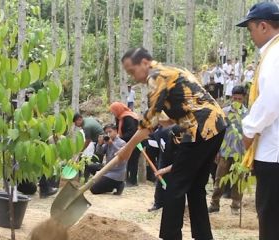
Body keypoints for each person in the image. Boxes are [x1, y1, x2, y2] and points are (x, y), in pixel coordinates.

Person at [118, 47, 227, 239]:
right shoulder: (173, 70)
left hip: (200, 129)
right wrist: (158, 121)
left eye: (132, 71)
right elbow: (178, 112)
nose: (134, 77)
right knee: (195, 187)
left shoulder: (156, 77)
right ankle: (203, 236)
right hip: (216, 126)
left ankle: (170, 236)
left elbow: (148, 125)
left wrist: (126, 150)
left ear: (144, 63)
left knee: (175, 185)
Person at [237, 2, 279, 239]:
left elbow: (272, 99)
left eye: (251, 28)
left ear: (263, 26)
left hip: (274, 153)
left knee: (271, 220)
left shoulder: (275, 55)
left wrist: (249, 130)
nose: (251, 35)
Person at [208, 86, 247, 215]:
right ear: (231, 97)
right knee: (219, 179)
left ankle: (235, 206)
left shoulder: (247, 114)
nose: (236, 101)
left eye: (239, 99)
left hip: (240, 154)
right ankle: (214, 204)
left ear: (243, 99)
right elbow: (218, 132)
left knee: (239, 180)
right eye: (234, 98)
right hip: (225, 151)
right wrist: (216, 151)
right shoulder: (224, 112)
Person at [109, 102, 140, 186]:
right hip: (125, 142)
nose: (113, 113)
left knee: (133, 161)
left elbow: (132, 132)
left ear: (118, 109)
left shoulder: (129, 117)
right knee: (125, 160)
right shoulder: (119, 117)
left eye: (113, 111)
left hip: (135, 141)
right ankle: (125, 179)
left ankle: (133, 181)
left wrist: (119, 138)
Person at [90, 124, 126, 195]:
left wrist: (111, 144)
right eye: (106, 133)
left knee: (93, 189)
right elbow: (99, 153)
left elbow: (122, 156)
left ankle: (119, 184)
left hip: (116, 172)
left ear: (116, 131)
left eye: (110, 132)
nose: (108, 134)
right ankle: (109, 186)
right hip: (107, 169)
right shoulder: (107, 142)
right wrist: (99, 144)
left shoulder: (122, 143)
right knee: (90, 166)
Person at [73, 113, 104, 182]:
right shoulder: (88, 119)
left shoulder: (86, 126)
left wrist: (82, 150)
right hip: (99, 139)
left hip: (100, 141)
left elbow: (88, 140)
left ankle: (97, 177)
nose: (75, 125)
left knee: (93, 162)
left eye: (75, 123)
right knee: (95, 160)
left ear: (79, 120)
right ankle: (93, 178)